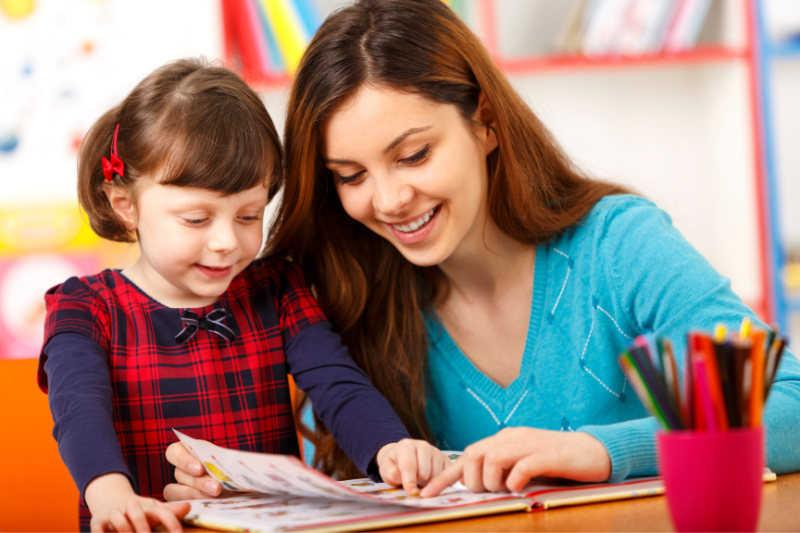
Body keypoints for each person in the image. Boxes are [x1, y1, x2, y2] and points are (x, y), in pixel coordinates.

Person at [165, 0, 800, 501]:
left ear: (485, 122)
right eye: (351, 176)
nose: (389, 200)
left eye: (414, 155)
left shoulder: (616, 245)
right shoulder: (351, 293)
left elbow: (789, 409)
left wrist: (601, 452)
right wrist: (224, 483)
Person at [38, 58, 448, 533]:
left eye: (249, 216)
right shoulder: (86, 307)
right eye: (196, 219)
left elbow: (338, 385)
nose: (226, 242)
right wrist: (111, 496)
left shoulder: (276, 288)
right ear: (126, 205)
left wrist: (390, 448)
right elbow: (79, 410)